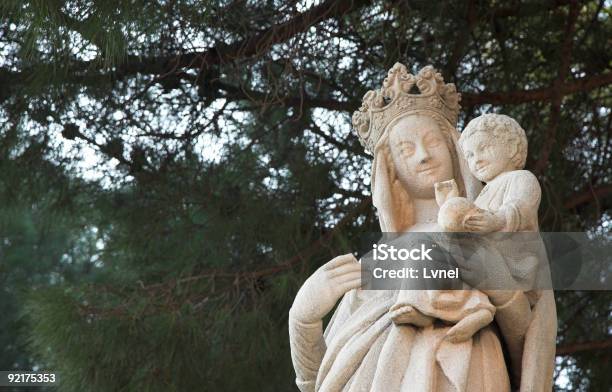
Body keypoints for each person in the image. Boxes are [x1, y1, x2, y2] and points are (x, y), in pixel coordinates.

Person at [288, 64, 557, 392]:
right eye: (406, 149)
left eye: (432, 142)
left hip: (469, 368)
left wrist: (490, 273)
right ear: (390, 168)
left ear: (453, 148)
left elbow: (530, 338)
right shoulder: (375, 262)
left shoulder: (486, 224)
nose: (423, 156)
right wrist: (302, 319)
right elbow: (318, 383)